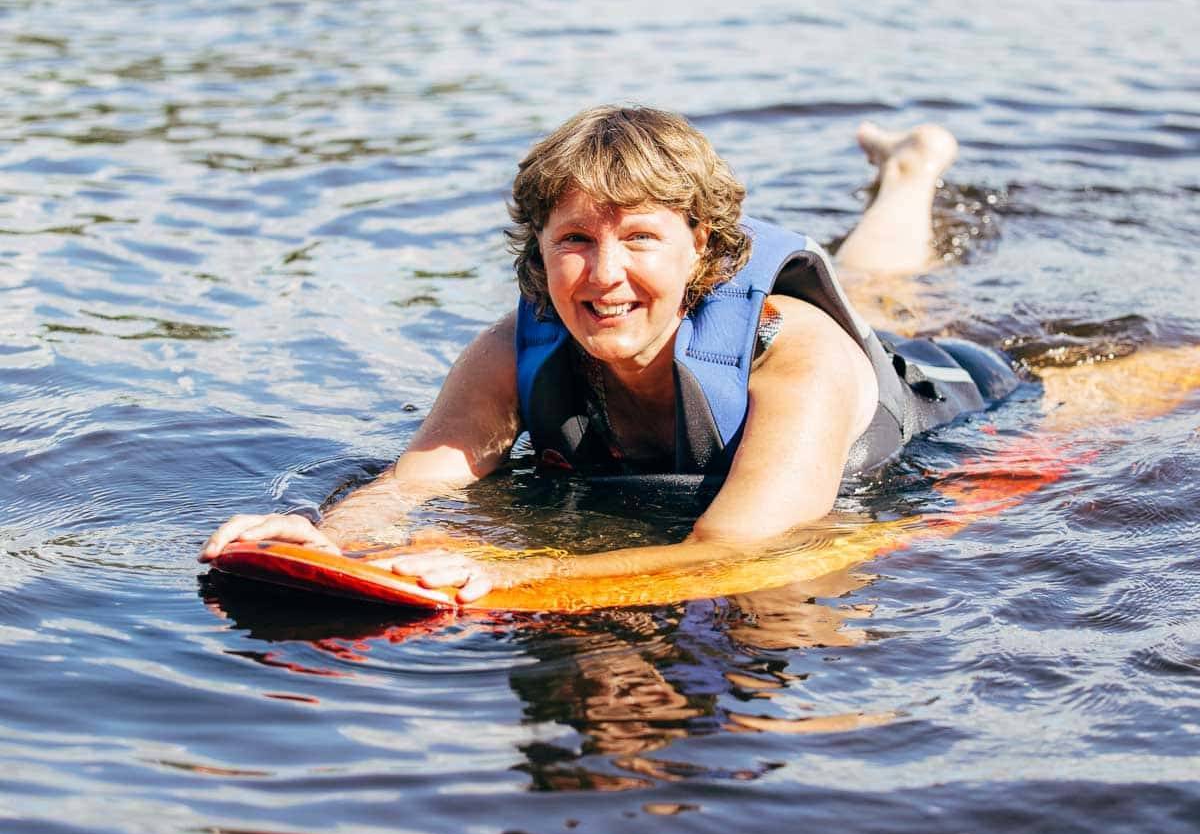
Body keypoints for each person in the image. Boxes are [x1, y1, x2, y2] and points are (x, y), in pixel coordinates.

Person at [203, 106, 1020, 602]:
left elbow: (738, 552)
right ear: (540, 247)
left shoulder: (795, 357)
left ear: (701, 246)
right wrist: (324, 538)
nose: (604, 276)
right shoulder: (513, 350)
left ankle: (911, 177)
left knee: (886, 304)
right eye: (574, 241)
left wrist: (516, 574)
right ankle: (906, 176)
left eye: (639, 238)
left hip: (954, 388)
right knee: (880, 286)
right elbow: (415, 481)